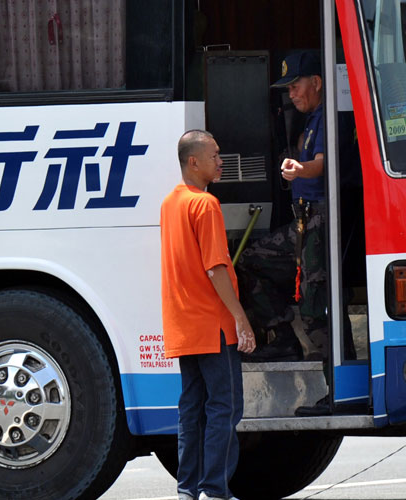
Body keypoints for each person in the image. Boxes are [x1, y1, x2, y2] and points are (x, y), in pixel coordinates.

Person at [161, 130, 256, 500]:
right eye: (214, 155)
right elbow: (216, 267)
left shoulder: (170, 203)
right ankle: (215, 488)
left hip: (184, 325)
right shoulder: (205, 205)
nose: (221, 160)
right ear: (193, 162)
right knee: (224, 407)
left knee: (191, 407)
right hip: (213, 324)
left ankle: (188, 489)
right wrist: (241, 318)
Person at [237, 51, 327, 365]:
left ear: (316, 82)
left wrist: (299, 169)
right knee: (250, 261)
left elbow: (321, 164)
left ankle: (337, 392)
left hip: (319, 223)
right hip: (302, 222)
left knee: (318, 302)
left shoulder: (328, 118)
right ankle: (283, 338)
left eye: (294, 85)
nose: (290, 93)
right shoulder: (310, 120)